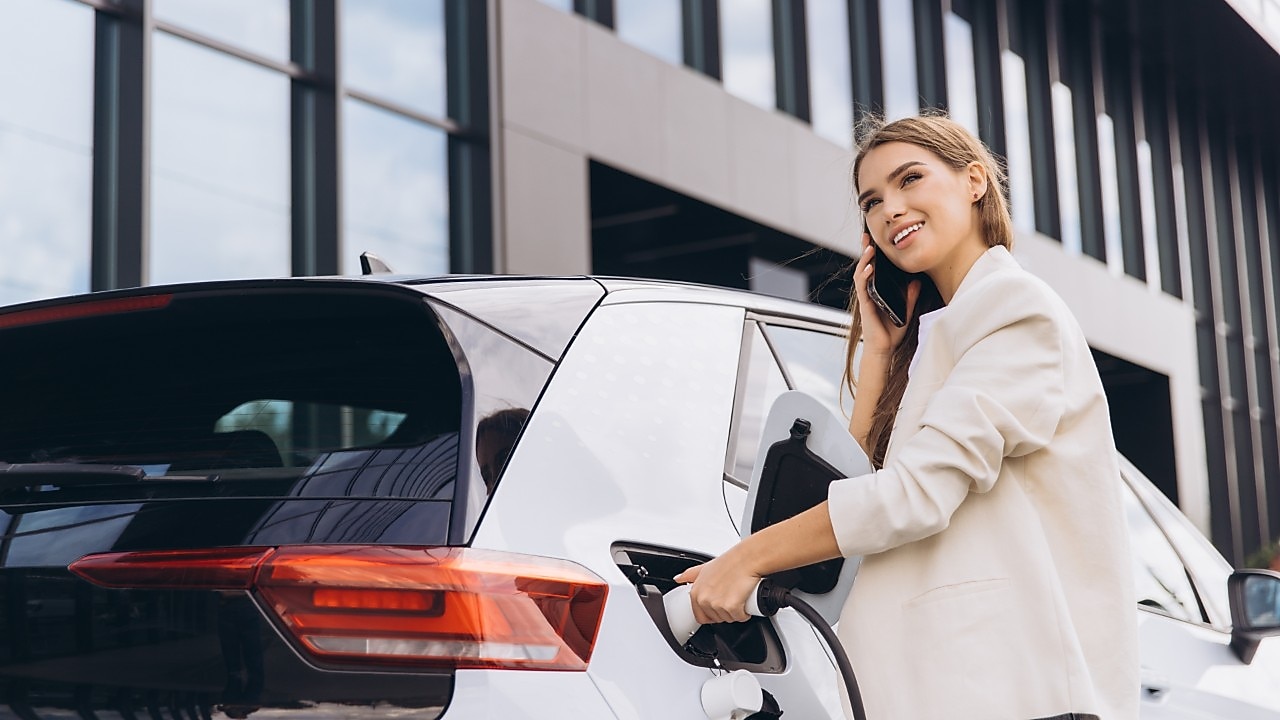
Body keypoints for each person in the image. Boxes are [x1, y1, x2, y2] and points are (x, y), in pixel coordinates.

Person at [674, 113, 1140, 719]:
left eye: (910, 179)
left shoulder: (1014, 308)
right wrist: (880, 356)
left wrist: (746, 559)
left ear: (974, 181)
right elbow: (855, 488)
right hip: (942, 690)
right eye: (872, 201)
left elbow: (913, 496)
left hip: (1010, 692)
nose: (890, 208)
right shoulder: (939, 339)